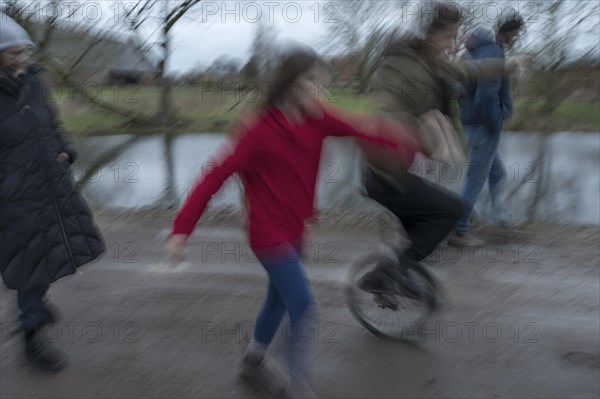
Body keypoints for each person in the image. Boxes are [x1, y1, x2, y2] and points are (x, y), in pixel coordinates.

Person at [165, 47, 417, 397]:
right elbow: (214, 176)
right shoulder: (257, 131)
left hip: (297, 229)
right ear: (293, 86)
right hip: (266, 234)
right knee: (302, 304)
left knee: (278, 299)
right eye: (315, 82)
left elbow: (363, 130)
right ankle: (298, 385)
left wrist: (408, 143)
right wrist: (182, 230)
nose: (322, 91)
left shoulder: (317, 118)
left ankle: (253, 358)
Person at [357, 2, 518, 305]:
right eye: (448, 37)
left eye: (455, 37)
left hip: (402, 168)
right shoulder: (399, 63)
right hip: (386, 170)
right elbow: (387, 104)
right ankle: (385, 276)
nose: (453, 44)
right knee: (451, 211)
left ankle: (389, 277)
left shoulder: (433, 61)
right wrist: (411, 128)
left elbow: (471, 70)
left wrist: (509, 65)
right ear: (429, 34)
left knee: (426, 233)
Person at [0, 13, 105, 371]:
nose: (22, 59)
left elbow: (54, 123)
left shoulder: (34, 82)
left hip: (50, 184)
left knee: (49, 250)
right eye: (13, 54)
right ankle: (32, 340)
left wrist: (67, 151)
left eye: (24, 51)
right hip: (13, 197)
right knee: (28, 262)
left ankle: (37, 303)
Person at [448, 11, 526, 247]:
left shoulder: (478, 52)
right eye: (516, 34)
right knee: (475, 178)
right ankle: (458, 230)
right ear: (509, 32)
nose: (516, 38)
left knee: (496, 173)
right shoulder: (493, 51)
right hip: (484, 125)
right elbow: (486, 95)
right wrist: (497, 120)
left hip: (473, 122)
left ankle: (501, 221)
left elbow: (464, 91)